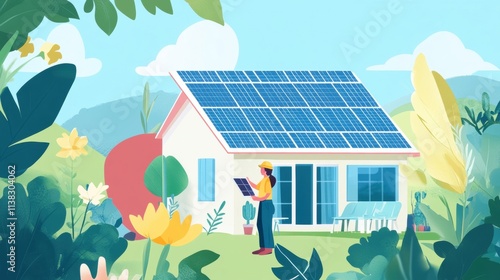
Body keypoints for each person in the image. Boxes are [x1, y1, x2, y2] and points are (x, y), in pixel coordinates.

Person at [246, 161, 276, 255]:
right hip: (262, 204)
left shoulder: (268, 181)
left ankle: (269, 248)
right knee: (260, 225)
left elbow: (267, 195)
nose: (260, 169)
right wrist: (248, 182)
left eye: (261, 168)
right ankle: (263, 247)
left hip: (266, 204)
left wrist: (257, 198)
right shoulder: (263, 180)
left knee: (266, 226)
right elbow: (257, 187)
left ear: (265, 170)